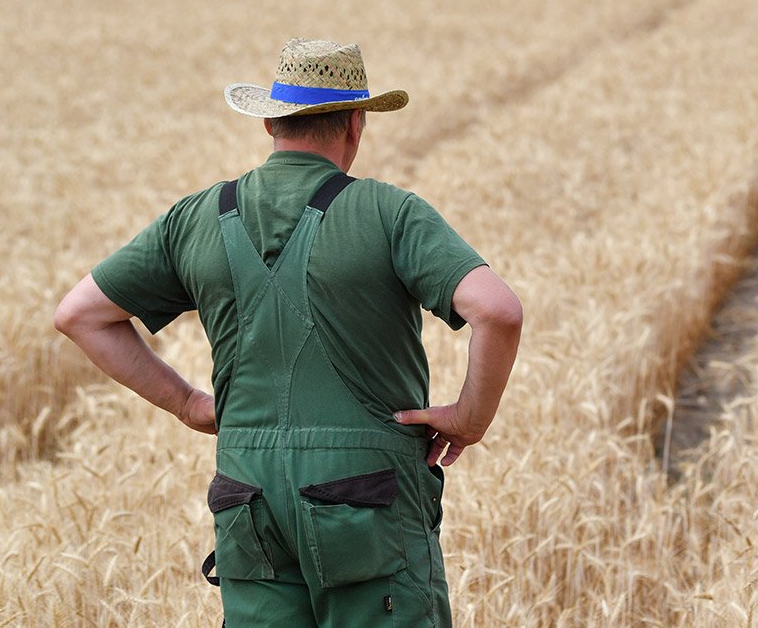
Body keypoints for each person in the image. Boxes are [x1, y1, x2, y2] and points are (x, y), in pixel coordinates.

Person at [54, 38, 522, 627]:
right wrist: (470, 419)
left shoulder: (195, 217)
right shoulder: (389, 212)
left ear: (271, 120)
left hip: (246, 495)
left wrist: (188, 405)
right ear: (357, 122)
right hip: (368, 495)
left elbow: (80, 315)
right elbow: (498, 312)